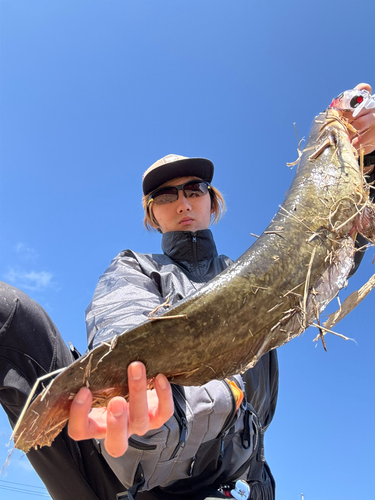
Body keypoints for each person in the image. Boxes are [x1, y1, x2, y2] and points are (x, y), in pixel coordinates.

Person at [0, 83, 374, 500]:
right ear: (152, 216)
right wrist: (133, 397)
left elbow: (332, 246)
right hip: (129, 473)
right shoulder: (134, 268)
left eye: (194, 190)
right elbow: (122, 319)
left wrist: (364, 157)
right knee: (8, 312)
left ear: (212, 203)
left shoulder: (250, 277)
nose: (182, 202)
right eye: (165, 195)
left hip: (239, 483)